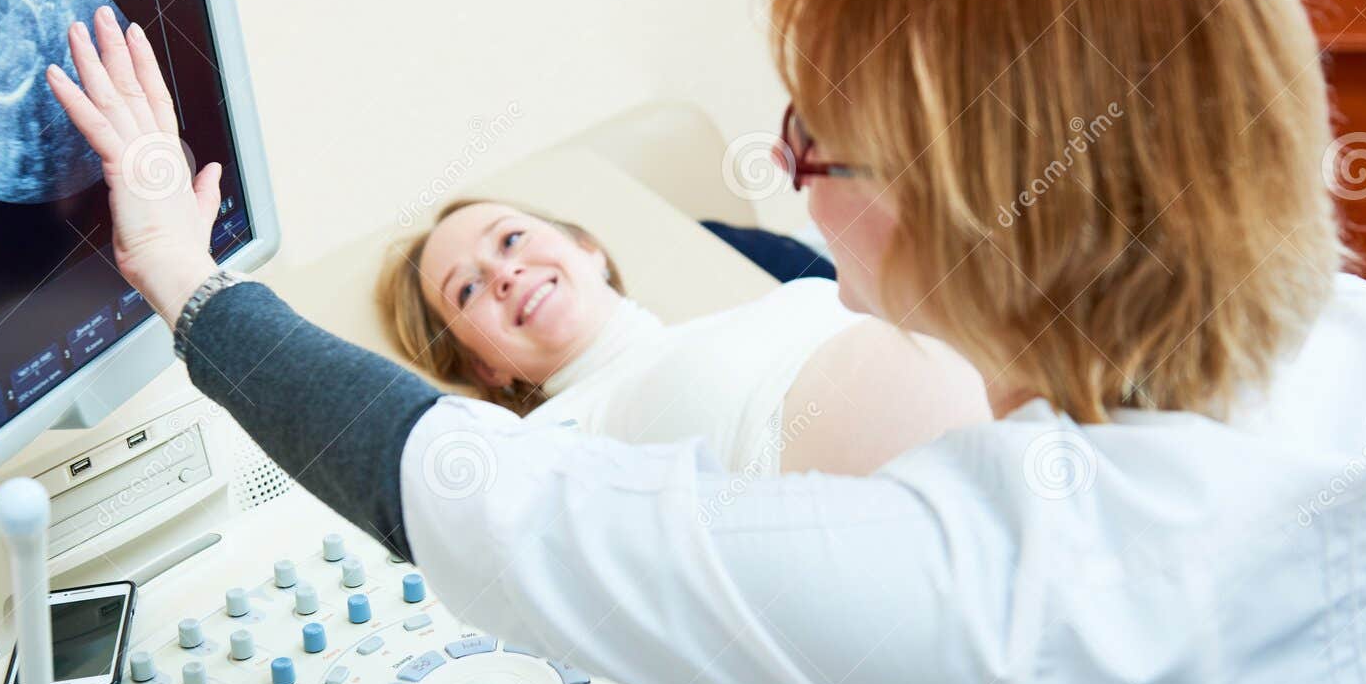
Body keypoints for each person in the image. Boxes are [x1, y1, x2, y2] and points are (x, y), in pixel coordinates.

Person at [46, 0, 1366, 684]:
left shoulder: (981, 587)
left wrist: (182, 265)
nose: (787, 166)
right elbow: (489, 466)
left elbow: (471, 499)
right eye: (467, 286)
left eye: (818, 140)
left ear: (979, 215)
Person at [376, 198, 989, 475]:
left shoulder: (751, 308)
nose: (505, 273)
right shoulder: (545, 445)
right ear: (487, 370)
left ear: (587, 250)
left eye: (511, 240)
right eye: (468, 290)